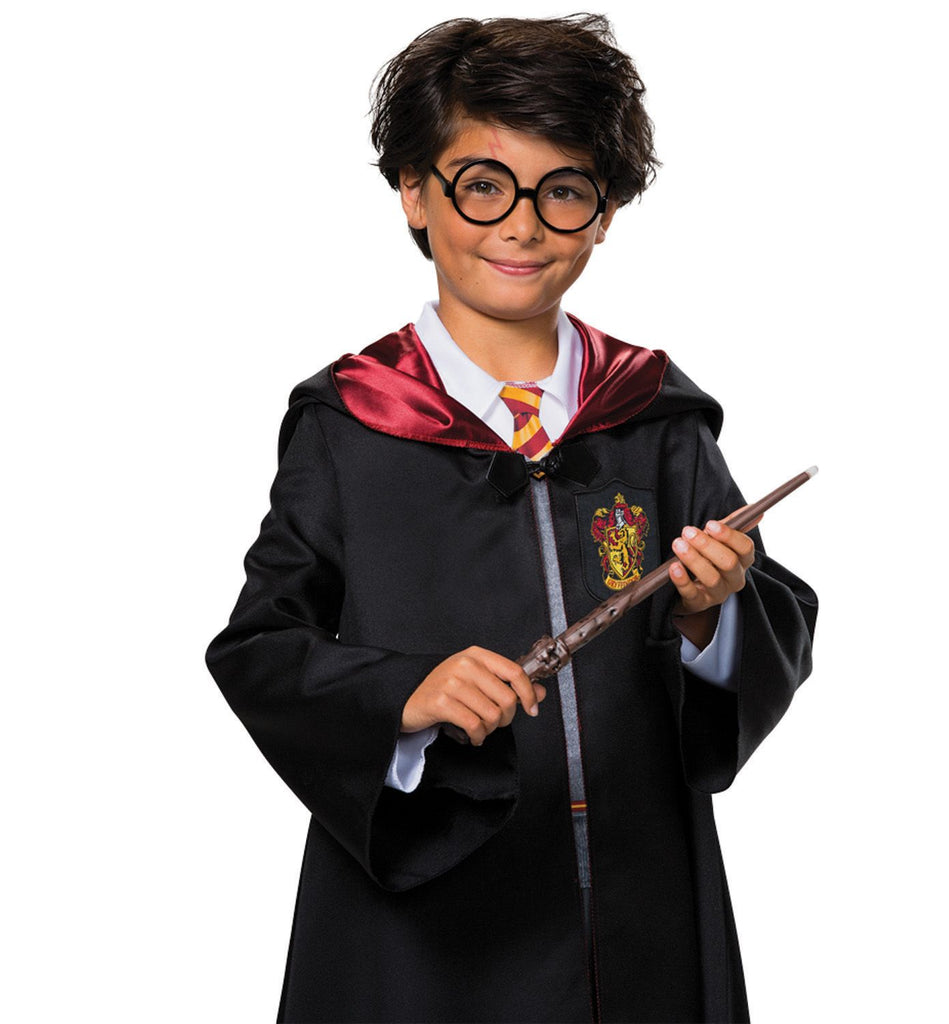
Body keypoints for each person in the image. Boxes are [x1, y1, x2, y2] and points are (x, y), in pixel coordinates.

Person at [206, 14, 816, 1023]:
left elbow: (769, 623)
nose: (523, 226)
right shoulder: (350, 424)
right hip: (428, 926)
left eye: (563, 190)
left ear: (605, 211)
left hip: (639, 905)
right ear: (414, 190)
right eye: (483, 186)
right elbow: (260, 647)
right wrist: (402, 695)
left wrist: (711, 614)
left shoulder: (653, 417)